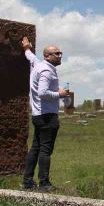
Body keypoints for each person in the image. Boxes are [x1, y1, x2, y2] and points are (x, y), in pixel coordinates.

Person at [20, 36, 70, 192]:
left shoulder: (39, 64)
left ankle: (27, 182)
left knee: (36, 148)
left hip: (37, 115)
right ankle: (44, 183)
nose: (60, 55)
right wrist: (59, 94)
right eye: (56, 53)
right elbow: (42, 93)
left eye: (60, 53)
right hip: (47, 115)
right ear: (47, 56)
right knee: (45, 150)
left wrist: (26, 48)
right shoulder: (47, 71)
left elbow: (31, 57)